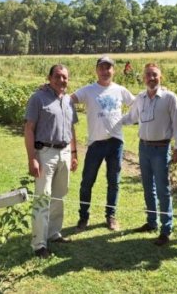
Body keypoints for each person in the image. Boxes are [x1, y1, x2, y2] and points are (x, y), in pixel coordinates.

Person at [121, 63, 177, 246]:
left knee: (163, 190)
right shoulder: (140, 98)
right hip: (144, 148)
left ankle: (166, 229)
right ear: (143, 77)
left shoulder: (169, 98)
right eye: (148, 75)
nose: (151, 78)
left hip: (161, 149)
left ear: (160, 76)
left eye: (154, 75)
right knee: (148, 187)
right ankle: (151, 222)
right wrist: (112, 121)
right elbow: (131, 118)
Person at [72, 56, 135, 231]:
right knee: (87, 182)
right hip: (95, 144)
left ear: (113, 70)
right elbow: (69, 99)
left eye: (108, 68)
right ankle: (83, 217)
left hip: (116, 143)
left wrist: (128, 119)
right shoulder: (88, 90)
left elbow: (137, 103)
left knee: (114, 182)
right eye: (102, 68)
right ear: (96, 70)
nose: (105, 71)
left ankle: (111, 216)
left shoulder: (120, 90)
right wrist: (49, 90)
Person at [24, 64, 79, 259]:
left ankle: (54, 233)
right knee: (43, 197)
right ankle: (39, 243)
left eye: (65, 77)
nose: (62, 80)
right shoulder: (38, 98)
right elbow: (29, 128)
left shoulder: (68, 101)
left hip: (64, 152)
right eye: (58, 76)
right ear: (49, 77)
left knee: (59, 195)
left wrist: (74, 154)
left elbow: (72, 129)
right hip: (45, 153)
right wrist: (32, 158)